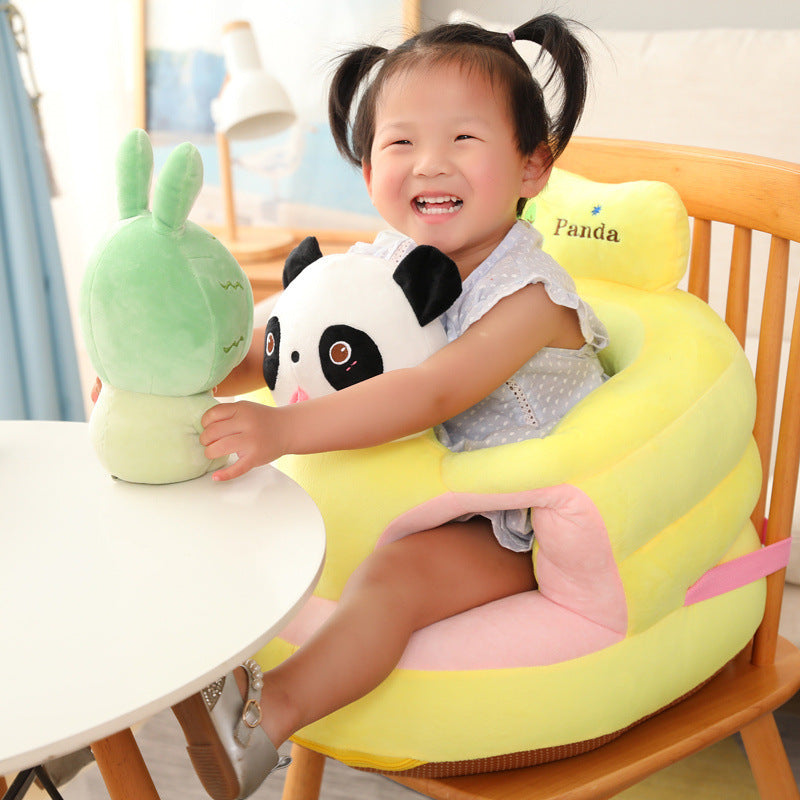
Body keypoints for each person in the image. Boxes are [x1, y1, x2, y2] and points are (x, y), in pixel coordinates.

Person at [173, 13, 608, 799]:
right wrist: (185, 380)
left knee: (395, 577)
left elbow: (433, 390)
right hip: (429, 480)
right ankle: (173, 674)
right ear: (367, 166)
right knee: (243, 504)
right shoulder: (387, 259)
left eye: (464, 142)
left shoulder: (530, 294)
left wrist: (283, 426)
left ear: (532, 166)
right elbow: (288, 335)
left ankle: (271, 720)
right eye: (401, 144)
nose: (428, 165)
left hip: (515, 514)